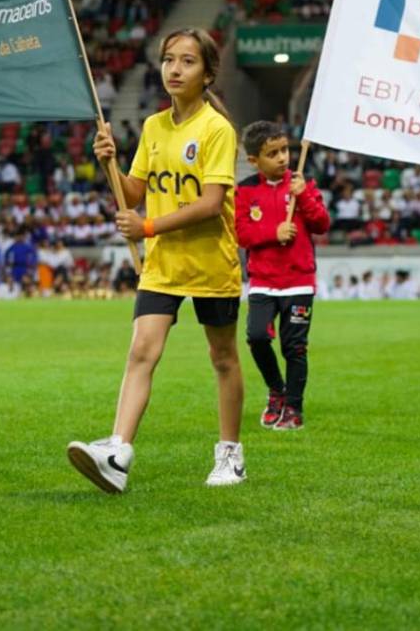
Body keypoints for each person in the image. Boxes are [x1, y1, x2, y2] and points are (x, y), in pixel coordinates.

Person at [67, 28, 246, 493]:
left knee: (223, 357)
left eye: (187, 62)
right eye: (169, 60)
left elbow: (210, 205)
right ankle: (118, 453)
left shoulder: (216, 129)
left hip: (210, 262)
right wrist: (110, 163)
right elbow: (133, 192)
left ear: (207, 73)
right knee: (141, 351)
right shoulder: (152, 126)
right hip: (163, 264)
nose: (175, 69)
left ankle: (231, 454)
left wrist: (146, 228)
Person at [235, 121, 330, 431]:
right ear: (253, 160)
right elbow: (240, 232)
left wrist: (302, 197)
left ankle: (294, 408)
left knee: (295, 348)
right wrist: (273, 233)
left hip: (299, 281)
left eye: (284, 150)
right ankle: (277, 390)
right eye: (272, 153)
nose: (282, 158)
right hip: (263, 282)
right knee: (257, 338)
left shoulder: (305, 183)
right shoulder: (246, 190)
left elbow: (321, 224)